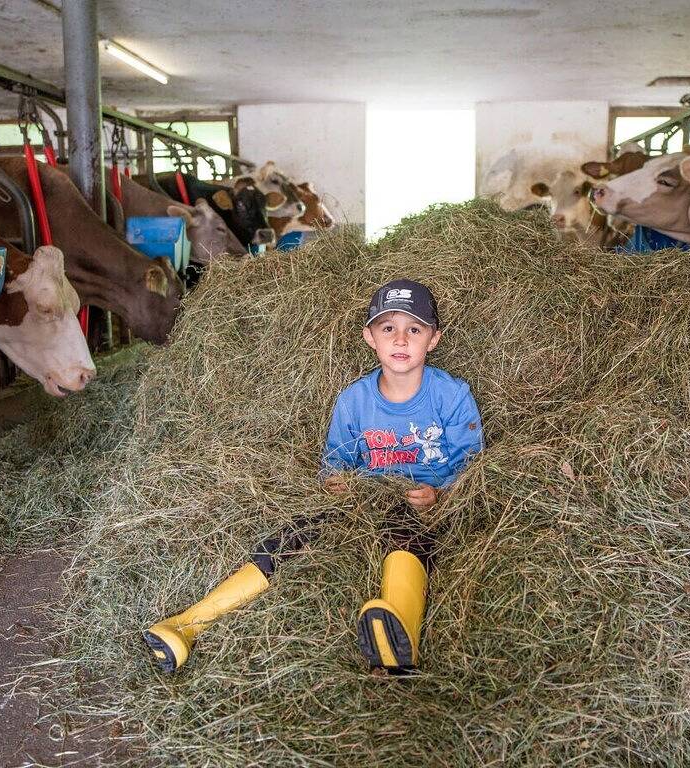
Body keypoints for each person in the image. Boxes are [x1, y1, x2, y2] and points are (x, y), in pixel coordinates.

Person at [144, 279, 484, 674]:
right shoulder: (354, 400)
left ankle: (398, 632)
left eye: (414, 329)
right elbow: (335, 462)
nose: (401, 340)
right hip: (363, 497)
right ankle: (185, 626)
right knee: (295, 534)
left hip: (418, 503)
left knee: (405, 531)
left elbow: (471, 464)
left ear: (434, 339)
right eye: (388, 328)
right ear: (370, 338)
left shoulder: (452, 396)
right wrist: (334, 481)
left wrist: (439, 494)